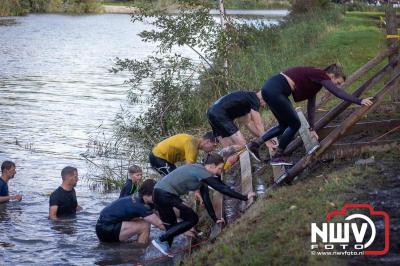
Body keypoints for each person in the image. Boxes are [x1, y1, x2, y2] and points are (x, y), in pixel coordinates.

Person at [246, 64, 374, 165]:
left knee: (284, 125)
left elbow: (311, 105)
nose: (338, 86)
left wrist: (312, 128)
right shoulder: (320, 74)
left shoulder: (315, 82)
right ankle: (278, 156)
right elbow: (338, 93)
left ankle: (255, 144)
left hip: (270, 89)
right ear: (331, 75)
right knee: (295, 124)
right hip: (275, 90)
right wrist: (359, 101)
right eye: (338, 82)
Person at [151, 153, 256, 257]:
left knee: (172, 226)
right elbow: (223, 189)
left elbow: (206, 198)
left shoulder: (201, 173)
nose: (220, 172)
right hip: (165, 194)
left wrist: (215, 218)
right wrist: (245, 197)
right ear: (211, 166)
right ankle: (160, 240)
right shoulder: (203, 173)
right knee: (192, 218)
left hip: (159, 193)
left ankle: (164, 249)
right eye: (219, 169)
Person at [206, 90, 275, 162]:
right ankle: (213, 159)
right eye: (266, 103)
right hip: (218, 113)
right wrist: (267, 140)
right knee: (242, 144)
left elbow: (249, 124)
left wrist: (264, 138)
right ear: (264, 98)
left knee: (229, 148)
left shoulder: (244, 102)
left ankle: (217, 166)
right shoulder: (254, 99)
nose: (263, 106)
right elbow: (259, 125)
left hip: (211, 112)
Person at [96, 179, 165, 244]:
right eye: (156, 195)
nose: (158, 197)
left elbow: (158, 215)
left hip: (104, 224)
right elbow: (160, 225)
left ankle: (137, 244)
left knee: (145, 220)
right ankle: (141, 250)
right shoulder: (140, 206)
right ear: (147, 194)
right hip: (105, 229)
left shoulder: (141, 197)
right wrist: (174, 228)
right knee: (145, 225)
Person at [149, 132, 218, 176]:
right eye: (214, 146)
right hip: (158, 156)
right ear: (207, 142)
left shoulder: (194, 147)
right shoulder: (192, 143)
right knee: (174, 180)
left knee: (176, 179)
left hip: (164, 159)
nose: (213, 149)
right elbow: (189, 169)